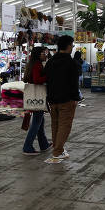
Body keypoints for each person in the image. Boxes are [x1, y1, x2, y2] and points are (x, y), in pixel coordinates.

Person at [44, 35, 81, 164]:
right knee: (64, 125)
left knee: (56, 124)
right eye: (72, 45)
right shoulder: (71, 63)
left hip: (52, 99)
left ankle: (57, 148)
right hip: (67, 99)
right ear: (69, 46)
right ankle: (58, 151)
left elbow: (46, 80)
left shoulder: (50, 61)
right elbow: (74, 83)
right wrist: (76, 98)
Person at [22, 47, 51, 155]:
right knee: (37, 122)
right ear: (38, 54)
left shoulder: (32, 64)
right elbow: (37, 80)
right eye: (43, 53)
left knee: (40, 121)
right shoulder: (37, 65)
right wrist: (47, 76)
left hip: (32, 95)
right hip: (37, 95)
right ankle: (27, 147)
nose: (45, 55)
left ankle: (44, 144)